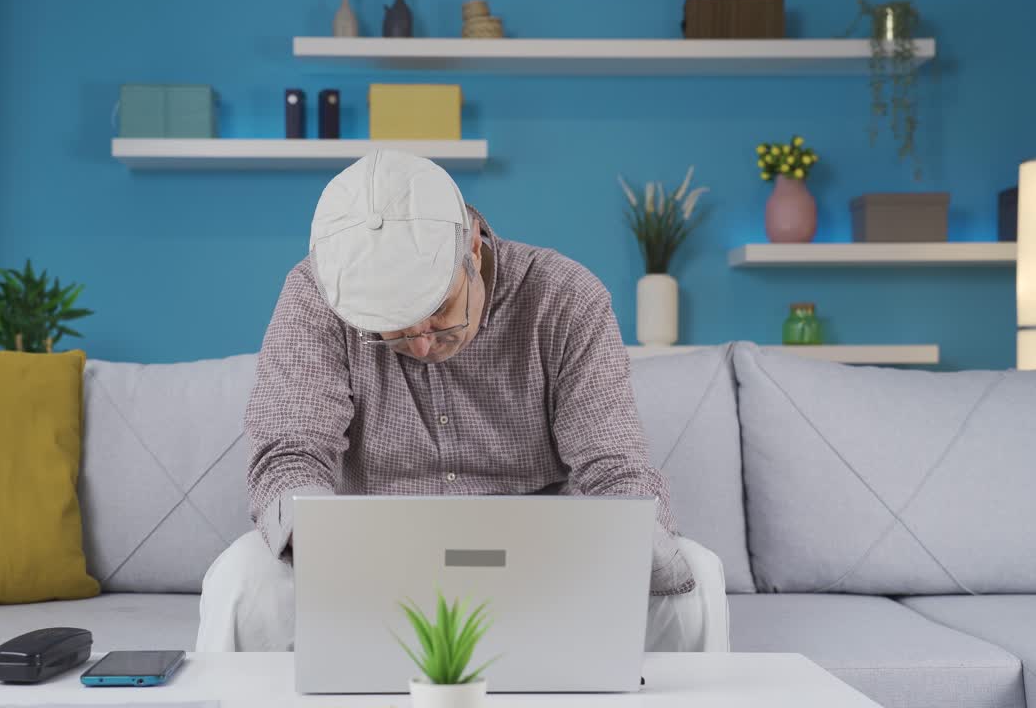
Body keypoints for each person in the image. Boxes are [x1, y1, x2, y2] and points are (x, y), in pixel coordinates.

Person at [197, 150, 728, 653]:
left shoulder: (566, 298)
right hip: (367, 560)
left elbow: (614, 469)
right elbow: (290, 453)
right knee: (240, 578)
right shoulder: (316, 296)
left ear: (473, 246)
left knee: (697, 577)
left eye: (440, 311)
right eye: (393, 331)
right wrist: (335, 554)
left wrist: (619, 547)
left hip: (543, 561)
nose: (424, 345)